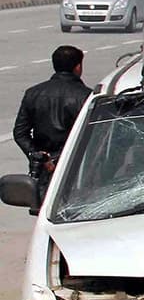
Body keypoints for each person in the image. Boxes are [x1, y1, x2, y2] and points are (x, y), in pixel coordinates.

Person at [13, 45, 91, 204]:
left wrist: (39, 157)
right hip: (76, 170)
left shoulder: (33, 93)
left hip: (44, 170)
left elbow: (20, 133)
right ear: (78, 67)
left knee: (45, 213)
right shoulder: (86, 96)